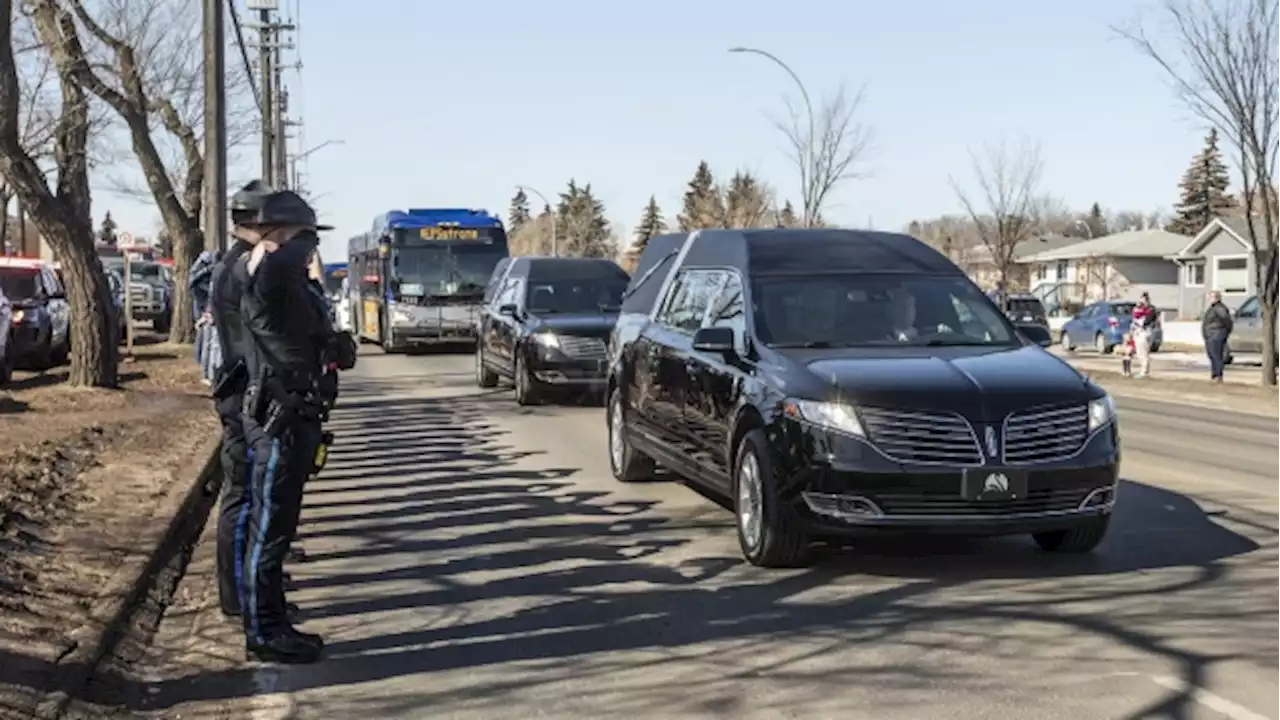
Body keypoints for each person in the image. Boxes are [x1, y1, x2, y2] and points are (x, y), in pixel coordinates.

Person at [237, 189, 353, 664]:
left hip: (300, 414)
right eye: (305, 237)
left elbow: (304, 330)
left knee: (280, 528)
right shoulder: (267, 276)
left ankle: (274, 620)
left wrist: (332, 345)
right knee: (268, 529)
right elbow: (277, 274)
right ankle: (263, 631)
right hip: (278, 418)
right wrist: (280, 244)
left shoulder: (292, 283)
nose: (312, 247)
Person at [209, 179, 274, 624]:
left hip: (250, 392)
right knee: (242, 496)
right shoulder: (237, 269)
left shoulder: (242, 264)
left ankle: (250, 579)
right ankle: (236, 593)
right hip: (241, 395)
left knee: (251, 493)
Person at [1201, 290, 1233, 383]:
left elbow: (1227, 321)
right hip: (1210, 335)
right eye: (1209, 296)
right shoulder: (1213, 308)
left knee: (1216, 356)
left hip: (1217, 334)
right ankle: (1214, 374)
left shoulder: (1220, 308)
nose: (1209, 299)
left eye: (1211, 297)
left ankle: (1218, 375)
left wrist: (1225, 332)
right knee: (1211, 355)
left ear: (1217, 298)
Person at [1130, 293, 1157, 378]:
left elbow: (1147, 321)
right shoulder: (1139, 309)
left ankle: (1144, 371)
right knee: (1139, 352)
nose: (1142, 303)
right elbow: (1134, 317)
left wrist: (1139, 322)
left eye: (1144, 301)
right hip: (1138, 332)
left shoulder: (1151, 310)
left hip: (1145, 332)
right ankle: (1143, 370)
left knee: (1143, 352)